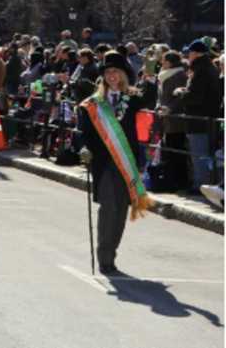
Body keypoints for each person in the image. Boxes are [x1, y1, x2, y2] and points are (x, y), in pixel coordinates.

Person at [78, 51, 154, 275]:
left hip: (127, 162)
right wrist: (83, 148)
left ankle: (111, 254)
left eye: (116, 72)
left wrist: (149, 75)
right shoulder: (93, 104)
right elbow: (84, 131)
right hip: (103, 163)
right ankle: (105, 258)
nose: (112, 76)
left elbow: (150, 100)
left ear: (123, 74)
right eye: (108, 72)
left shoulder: (132, 98)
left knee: (120, 210)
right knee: (109, 208)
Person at [174, 39, 222, 192]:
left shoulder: (201, 70)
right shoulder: (208, 68)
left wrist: (181, 93)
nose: (188, 55)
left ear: (195, 54)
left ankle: (200, 185)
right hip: (207, 118)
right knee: (204, 154)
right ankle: (203, 183)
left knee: (199, 154)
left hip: (199, 119)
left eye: (190, 52)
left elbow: (195, 96)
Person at [156, 50, 189, 191]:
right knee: (169, 151)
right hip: (166, 119)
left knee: (177, 151)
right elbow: (160, 96)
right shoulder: (164, 75)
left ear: (169, 62)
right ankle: (171, 180)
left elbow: (180, 97)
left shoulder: (179, 75)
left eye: (163, 60)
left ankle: (179, 182)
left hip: (175, 120)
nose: (161, 63)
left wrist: (169, 108)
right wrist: (158, 106)